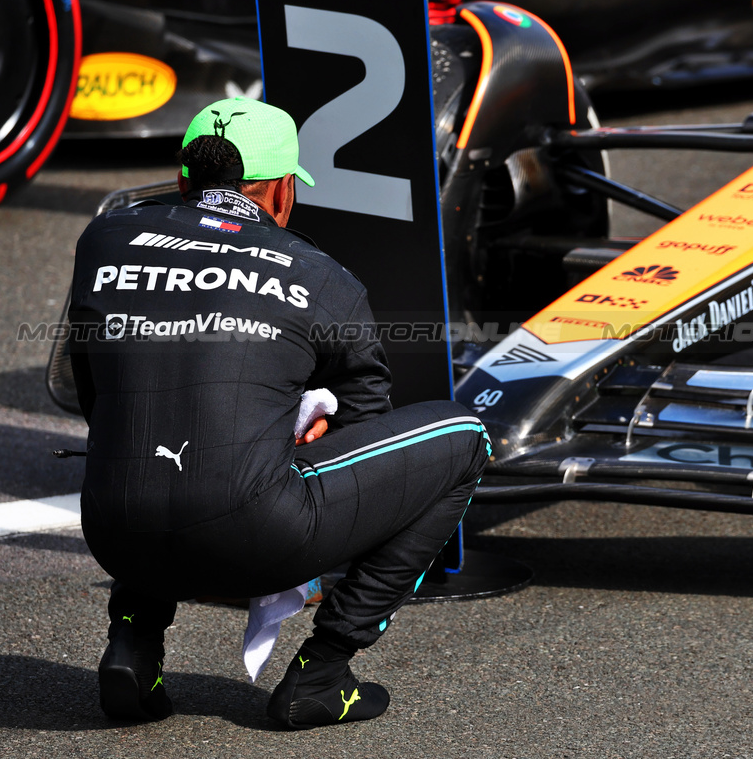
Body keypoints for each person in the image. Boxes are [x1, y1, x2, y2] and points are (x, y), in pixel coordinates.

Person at [67, 96, 489, 729]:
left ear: (184, 176)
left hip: (113, 531)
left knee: (157, 421)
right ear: (280, 191)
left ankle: (133, 643)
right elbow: (364, 430)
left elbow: (96, 397)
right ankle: (324, 671)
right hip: (255, 539)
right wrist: (290, 433)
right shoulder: (324, 277)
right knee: (466, 435)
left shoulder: (104, 237)